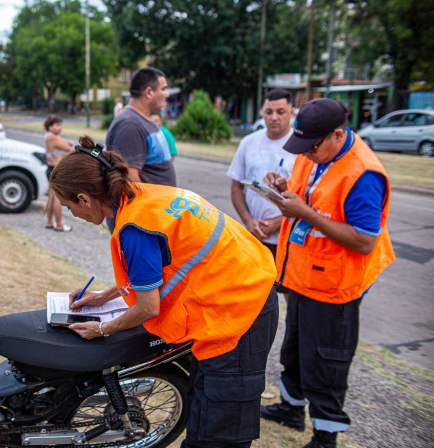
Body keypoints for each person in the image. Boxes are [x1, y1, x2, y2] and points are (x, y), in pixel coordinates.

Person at [50, 135, 279, 448]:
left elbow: (148, 308)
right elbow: (159, 269)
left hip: (240, 306)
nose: (72, 213)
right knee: (203, 400)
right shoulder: (145, 196)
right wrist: (104, 296)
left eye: (68, 206)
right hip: (242, 283)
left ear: (85, 199)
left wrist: (102, 328)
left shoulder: (135, 226)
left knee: (219, 431)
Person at [261, 98, 395, 448]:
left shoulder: (363, 174)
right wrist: (283, 191)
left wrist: (303, 211)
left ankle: (325, 436)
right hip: (304, 277)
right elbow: (309, 196)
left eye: (312, 147)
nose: (305, 154)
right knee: (295, 350)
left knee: (327, 361)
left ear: (338, 135)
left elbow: (364, 241)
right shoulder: (316, 155)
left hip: (336, 286)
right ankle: (291, 409)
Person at [226, 89, 297, 258]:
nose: (274, 117)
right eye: (268, 112)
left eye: (280, 112)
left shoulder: (300, 147)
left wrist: (277, 224)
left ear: (291, 112)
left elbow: (307, 200)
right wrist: (248, 221)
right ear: (262, 113)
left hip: (287, 239)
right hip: (253, 236)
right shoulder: (248, 143)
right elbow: (236, 186)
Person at [106, 67, 176, 188]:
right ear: (149, 92)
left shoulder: (145, 118)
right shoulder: (130, 124)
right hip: (150, 206)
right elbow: (129, 179)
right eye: (163, 89)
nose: (167, 94)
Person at [43, 114, 73, 232]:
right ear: (50, 127)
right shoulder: (52, 138)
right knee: (57, 198)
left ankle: (50, 222)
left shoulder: (49, 136)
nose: (59, 128)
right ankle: (59, 224)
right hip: (56, 170)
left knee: (51, 197)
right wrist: (68, 143)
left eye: (60, 125)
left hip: (50, 168)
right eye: (57, 125)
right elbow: (67, 147)